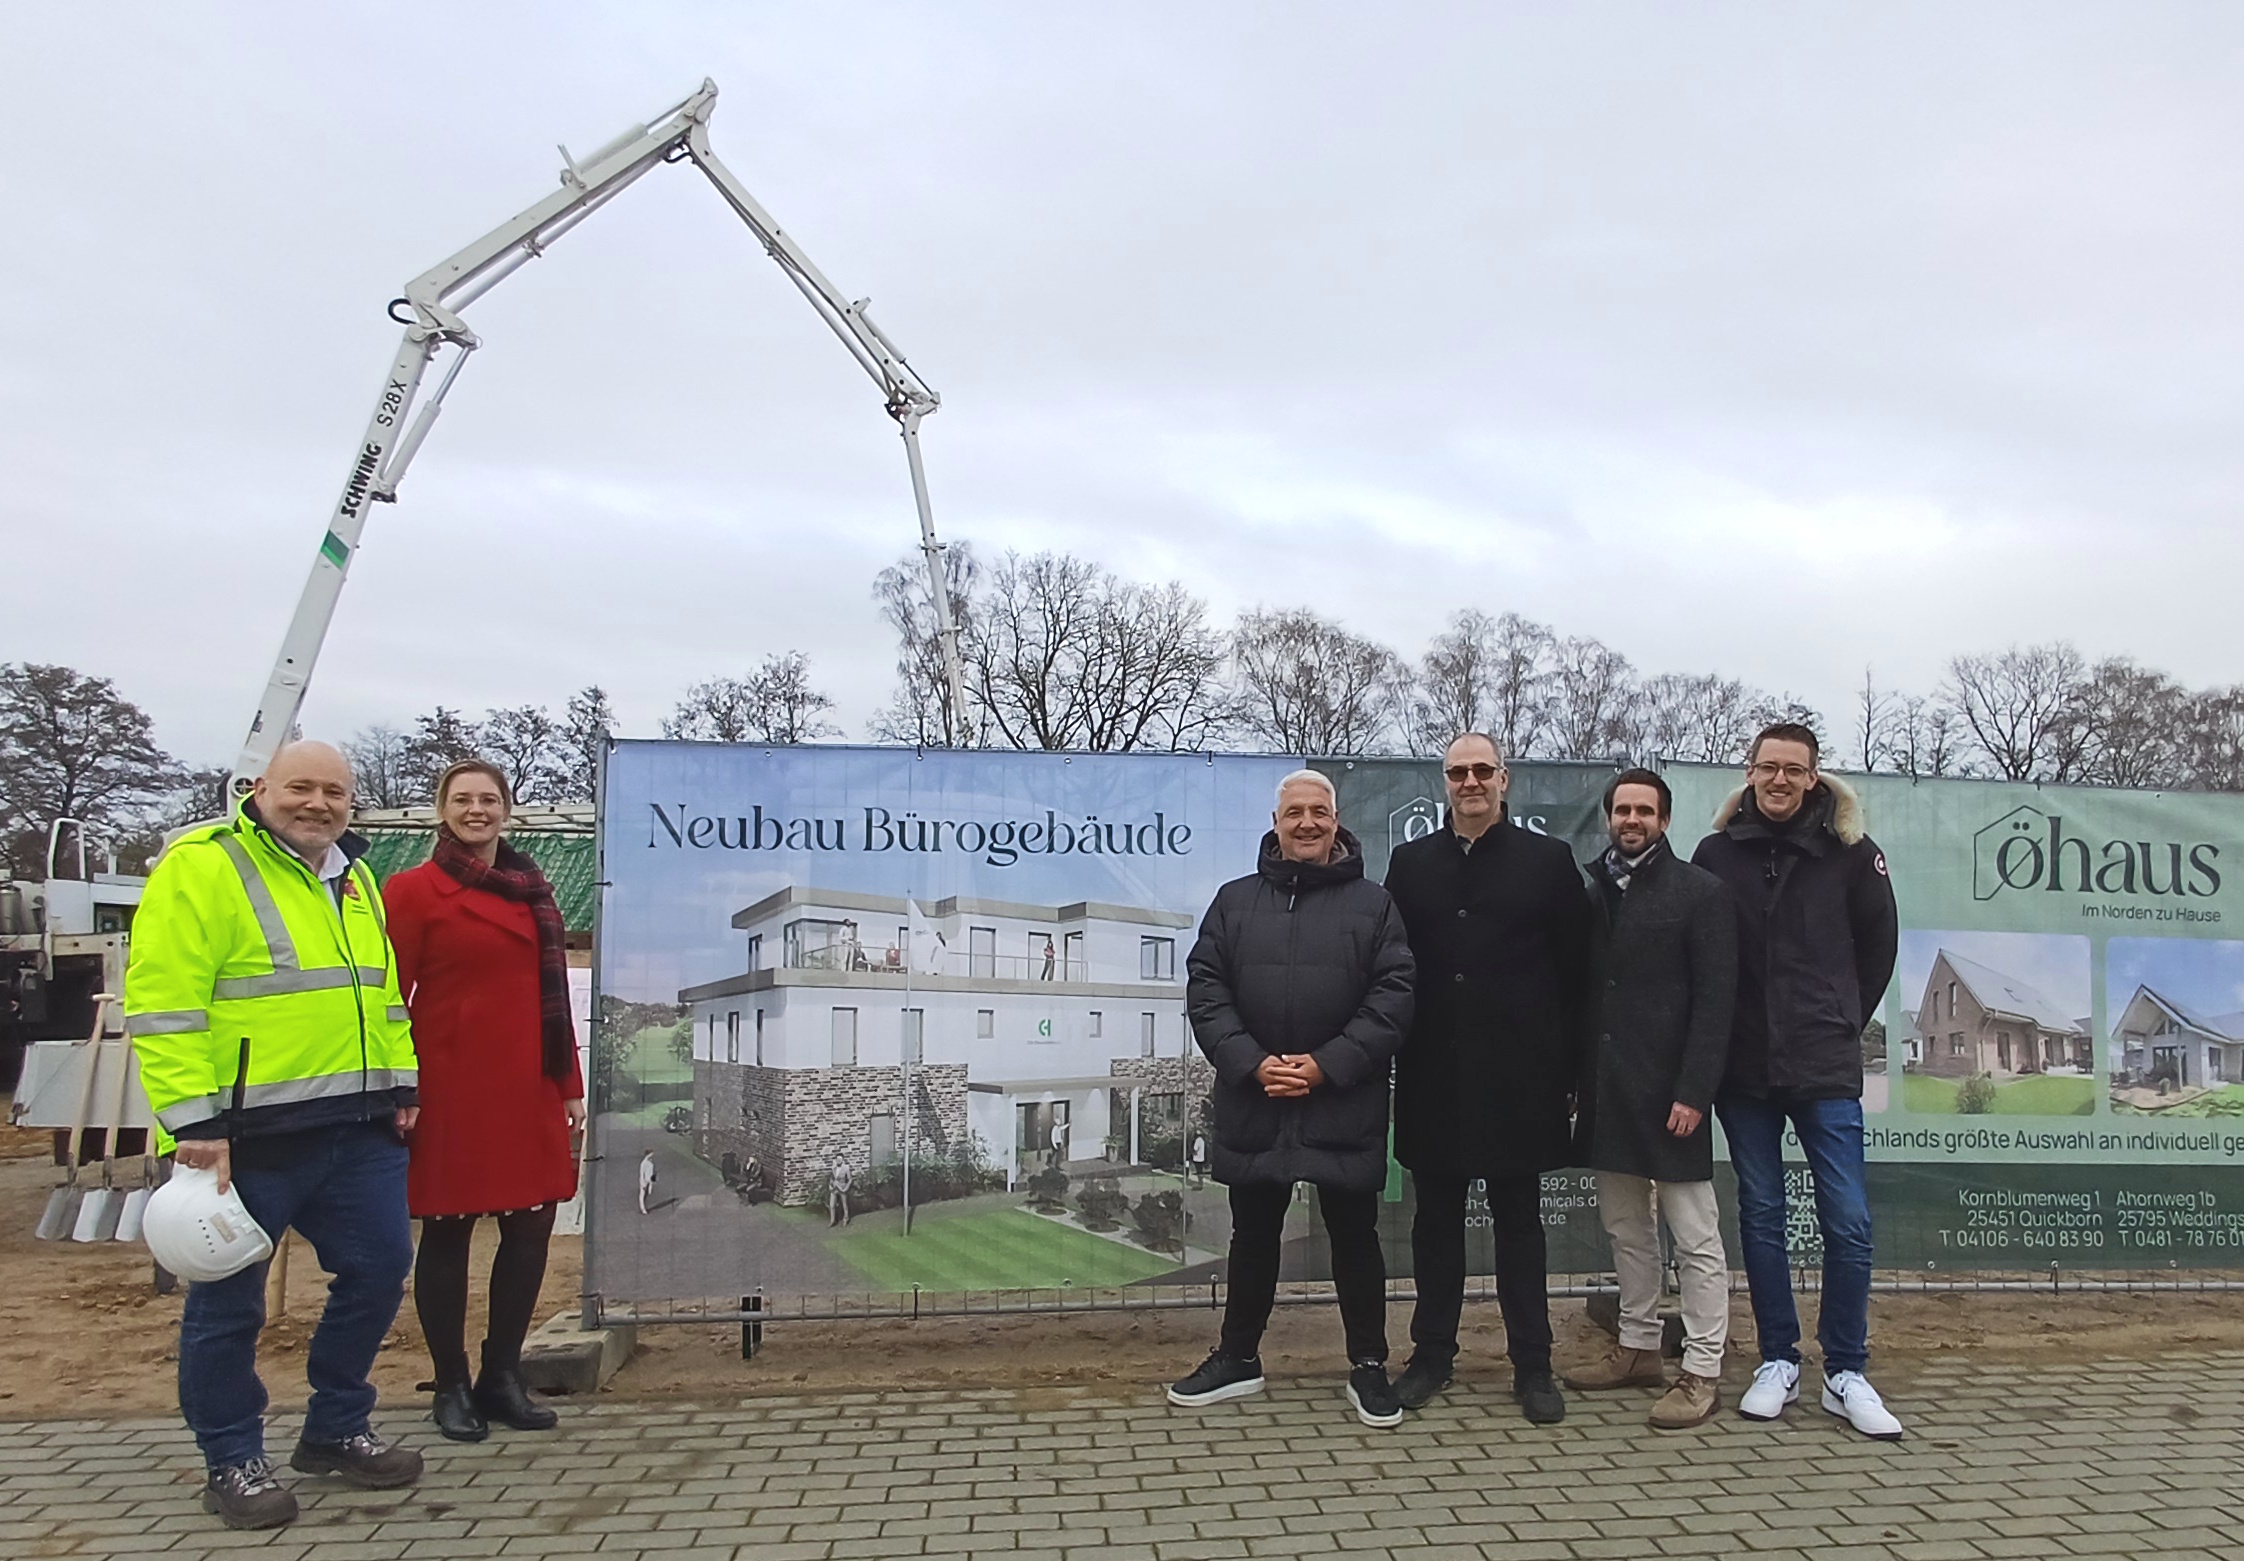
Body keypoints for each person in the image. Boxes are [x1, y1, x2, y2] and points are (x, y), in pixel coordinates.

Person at [123, 741, 422, 1531]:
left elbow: (383, 996)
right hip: (242, 1137)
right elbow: (163, 1003)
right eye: (300, 787)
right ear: (261, 789)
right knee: (229, 1302)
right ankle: (232, 1458)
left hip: (355, 1127)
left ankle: (335, 1426)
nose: (317, 803)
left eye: (334, 791)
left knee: (381, 1266)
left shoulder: (354, 878)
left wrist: (402, 1087)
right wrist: (192, 1121)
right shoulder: (202, 864)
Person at [1167, 770, 1415, 1428]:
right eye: (1293, 812)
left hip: (1343, 1097)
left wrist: (1326, 1066)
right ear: (1275, 822)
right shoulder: (1232, 901)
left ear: (1337, 820)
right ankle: (1239, 1357)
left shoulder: (1374, 905)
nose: (1306, 823)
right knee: (1253, 1235)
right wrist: (1253, 1064)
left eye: (1319, 812)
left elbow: (1393, 997)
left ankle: (1368, 1366)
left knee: (1355, 1237)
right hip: (1258, 1097)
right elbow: (1206, 990)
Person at [1692, 722, 1902, 1440]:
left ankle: (1846, 1369)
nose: (1780, 779)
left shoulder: (1852, 853)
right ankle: (1776, 1358)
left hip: (1825, 1069)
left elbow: (1878, 950)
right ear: (1748, 772)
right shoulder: (1716, 853)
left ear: (1815, 777)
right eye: (1768, 767)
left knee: (1848, 1219)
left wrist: (1840, 1018)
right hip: (1744, 1071)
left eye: (1795, 769)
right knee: (1761, 1215)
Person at [1384, 733, 1591, 1425]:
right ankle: (1431, 1357)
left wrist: (1567, 1075)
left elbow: (1576, 977)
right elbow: (1392, 968)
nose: (1469, 781)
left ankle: (1533, 1364)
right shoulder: (1409, 864)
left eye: (1481, 770)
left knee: (1519, 1227)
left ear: (1505, 779)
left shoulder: (1549, 861)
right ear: (1444, 782)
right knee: (1435, 1226)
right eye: (1457, 772)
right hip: (1432, 1076)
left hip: (1520, 1081)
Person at [384, 759, 587, 1444]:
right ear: (441, 809)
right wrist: (398, 1085)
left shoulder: (533, 890)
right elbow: (389, 999)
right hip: (450, 1083)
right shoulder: (411, 892)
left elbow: (553, 996)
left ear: (508, 808)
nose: (477, 810)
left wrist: (568, 1086)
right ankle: (450, 1383)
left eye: (489, 799)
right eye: (463, 799)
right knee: (447, 1230)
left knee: (530, 1229)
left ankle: (503, 1374)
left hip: (529, 1079)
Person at [1564, 768, 1737, 1430]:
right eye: (1621, 809)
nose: (1631, 819)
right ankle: (1637, 1348)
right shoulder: (1595, 890)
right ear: (1609, 817)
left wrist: (1695, 1088)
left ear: (1664, 820)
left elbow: (1716, 1001)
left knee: (1694, 1235)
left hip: (1673, 1095)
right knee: (1624, 1226)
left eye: (1645, 810)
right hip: (1609, 1088)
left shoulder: (1702, 893)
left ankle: (1702, 1369)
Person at [828, 1159, 853, 1226]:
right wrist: (830, 1185)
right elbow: (831, 1178)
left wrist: (846, 1188)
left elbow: (850, 1179)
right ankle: (832, 1220)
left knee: (844, 1204)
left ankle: (846, 1218)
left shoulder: (846, 1168)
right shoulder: (833, 1168)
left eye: (840, 1159)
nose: (838, 1161)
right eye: (837, 1159)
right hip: (834, 1188)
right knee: (832, 1205)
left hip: (842, 1187)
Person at [638, 1150, 657, 1215]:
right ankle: (643, 1208)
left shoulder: (650, 1162)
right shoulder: (643, 1163)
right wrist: (642, 1182)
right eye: (651, 1153)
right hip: (644, 1181)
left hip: (649, 1180)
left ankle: (643, 1207)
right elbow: (642, 1173)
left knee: (647, 1193)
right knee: (642, 1194)